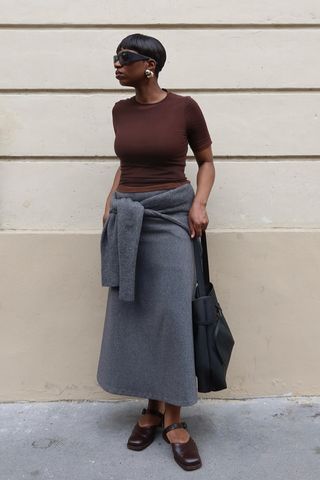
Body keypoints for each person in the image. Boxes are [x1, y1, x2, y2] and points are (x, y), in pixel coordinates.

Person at [96, 33, 215, 471]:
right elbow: (127, 165)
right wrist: (111, 201)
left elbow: (206, 161)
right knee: (136, 312)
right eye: (115, 57)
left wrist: (199, 203)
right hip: (128, 219)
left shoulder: (184, 107)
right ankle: (149, 408)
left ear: (150, 65)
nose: (116, 64)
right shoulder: (120, 111)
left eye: (123, 58)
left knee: (170, 313)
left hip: (169, 218)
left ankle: (174, 418)